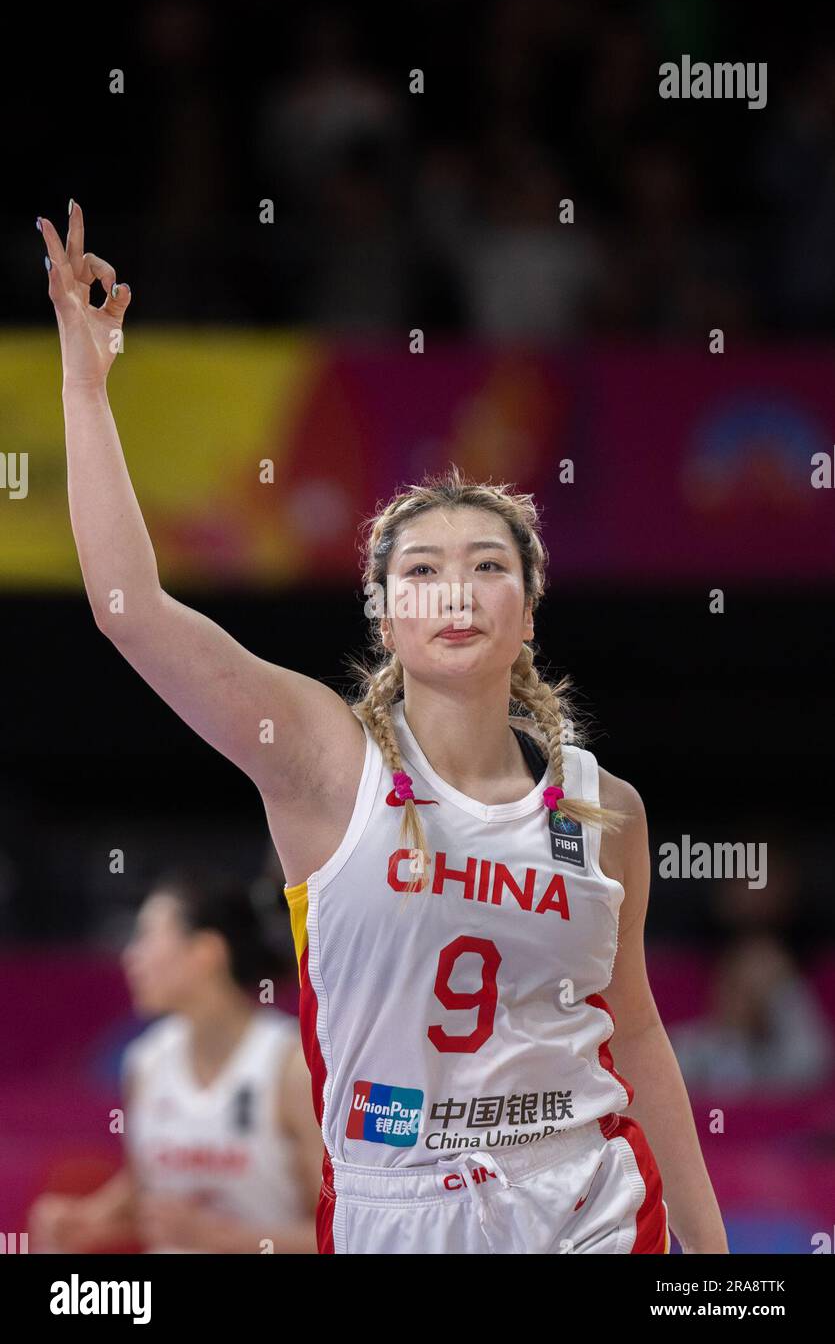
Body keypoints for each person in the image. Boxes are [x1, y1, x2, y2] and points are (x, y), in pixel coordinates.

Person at [38, 201, 728, 1254]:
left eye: (488, 566)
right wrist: (85, 389)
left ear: (527, 610)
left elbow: (632, 1025)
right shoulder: (321, 764)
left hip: (586, 1197)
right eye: (422, 570)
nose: (456, 591)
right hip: (390, 1205)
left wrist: (710, 1257)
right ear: (383, 613)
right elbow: (129, 610)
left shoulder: (604, 808)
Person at [28, 869, 323, 1253]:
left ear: (206, 951)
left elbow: (344, 1232)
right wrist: (88, 1220)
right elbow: (149, 1188)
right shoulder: (145, 1062)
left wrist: (221, 1239)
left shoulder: (290, 1066)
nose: (130, 956)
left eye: (146, 937)